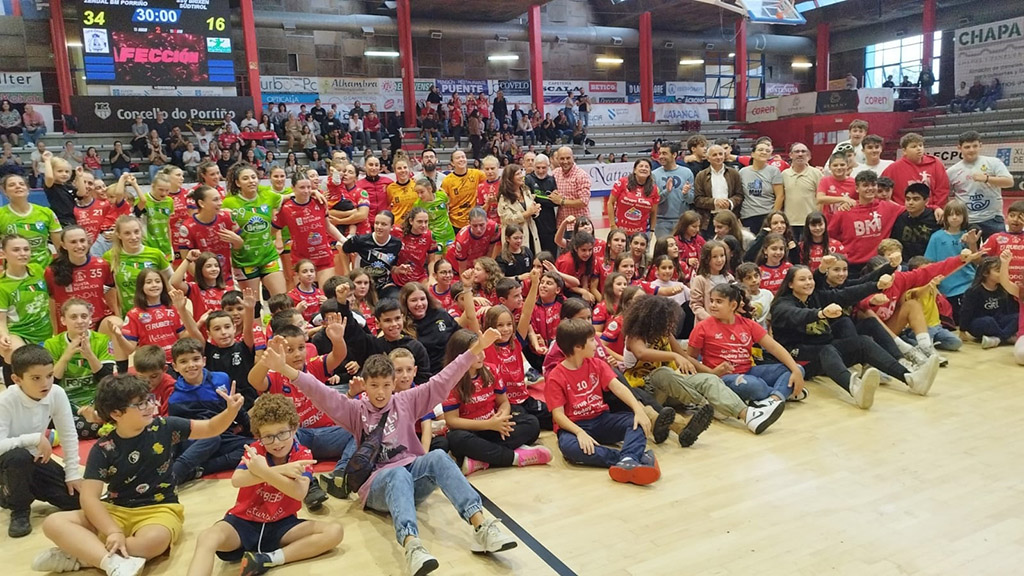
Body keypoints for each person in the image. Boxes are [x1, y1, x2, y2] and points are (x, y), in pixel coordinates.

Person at [267, 328, 519, 576]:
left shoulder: (406, 401)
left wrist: (476, 348)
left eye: (386, 385)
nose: (380, 392)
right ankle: (413, 546)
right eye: (374, 385)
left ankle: (482, 527)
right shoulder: (354, 410)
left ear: (393, 384)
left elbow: (443, 379)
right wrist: (284, 369)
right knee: (397, 474)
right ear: (365, 385)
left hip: (411, 476)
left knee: (438, 457)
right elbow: (318, 391)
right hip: (377, 486)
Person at [31, 373, 244, 576]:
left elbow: (210, 428)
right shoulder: (104, 448)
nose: (150, 406)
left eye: (149, 399)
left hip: (160, 509)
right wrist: (112, 530)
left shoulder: (165, 427)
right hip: (115, 509)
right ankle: (110, 561)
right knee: (53, 523)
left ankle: (84, 555)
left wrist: (230, 412)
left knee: (153, 541)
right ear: (116, 414)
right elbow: (89, 498)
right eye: (140, 404)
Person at [185, 393, 344, 576]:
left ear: (294, 429)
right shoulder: (256, 450)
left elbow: (299, 493)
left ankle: (268, 559)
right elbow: (237, 479)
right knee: (207, 537)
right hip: (242, 522)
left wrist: (264, 471)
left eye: (282, 433)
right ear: (259, 436)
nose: (276, 442)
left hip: (282, 526)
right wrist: (281, 470)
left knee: (334, 531)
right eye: (268, 437)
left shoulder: (303, 454)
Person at [770, 266, 938, 410]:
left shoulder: (816, 296)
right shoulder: (782, 305)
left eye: (810, 278)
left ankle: (911, 378)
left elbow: (847, 294)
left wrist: (876, 286)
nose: (808, 282)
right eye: (802, 280)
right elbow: (795, 315)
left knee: (863, 342)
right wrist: (820, 313)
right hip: (797, 358)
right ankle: (856, 388)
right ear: (790, 284)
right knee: (827, 349)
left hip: (824, 350)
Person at [623, 294, 784, 434]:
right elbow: (641, 353)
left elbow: (686, 358)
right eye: (664, 319)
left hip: (674, 388)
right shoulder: (635, 336)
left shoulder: (666, 334)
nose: (669, 323)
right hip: (645, 391)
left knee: (709, 380)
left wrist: (711, 372)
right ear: (651, 318)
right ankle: (707, 405)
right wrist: (674, 356)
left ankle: (748, 415)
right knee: (663, 373)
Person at [546, 318, 660, 484]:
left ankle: (628, 459)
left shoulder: (597, 364)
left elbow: (619, 388)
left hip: (601, 419)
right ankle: (631, 458)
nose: (596, 345)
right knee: (570, 449)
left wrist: (638, 410)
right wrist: (579, 432)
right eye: (592, 341)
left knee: (637, 422)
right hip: (575, 426)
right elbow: (558, 415)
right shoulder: (555, 377)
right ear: (578, 347)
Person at [443, 327, 548, 476]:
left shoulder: (491, 370)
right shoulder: (451, 379)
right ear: (461, 356)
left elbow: (504, 402)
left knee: (532, 423)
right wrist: (488, 424)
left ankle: (481, 458)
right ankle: (515, 458)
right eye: (476, 353)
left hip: (493, 427)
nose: (481, 356)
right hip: (471, 430)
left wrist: (501, 419)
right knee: (456, 439)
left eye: (482, 350)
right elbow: (452, 421)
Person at [0, 345, 81, 538]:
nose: (45, 383)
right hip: (8, 460)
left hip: (35, 458)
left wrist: (72, 474)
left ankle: (20, 488)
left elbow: (69, 435)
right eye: (36, 378)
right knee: (18, 457)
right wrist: (35, 438)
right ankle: (19, 509)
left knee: (76, 500)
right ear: (17, 379)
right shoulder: (5, 401)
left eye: (50, 375)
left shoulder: (56, 393)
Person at [689, 282, 805, 405]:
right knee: (753, 385)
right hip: (722, 377)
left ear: (733, 305)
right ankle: (783, 392)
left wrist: (795, 370)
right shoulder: (702, 327)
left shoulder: (748, 324)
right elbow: (690, 358)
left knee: (796, 368)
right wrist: (711, 372)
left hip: (748, 371)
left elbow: (774, 347)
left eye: (719, 301)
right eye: (711, 301)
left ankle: (773, 400)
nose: (713, 305)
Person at [222, 163, 287, 296]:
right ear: (237, 183)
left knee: (283, 300)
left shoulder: (268, 196)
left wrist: (313, 192)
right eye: (245, 178)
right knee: (253, 305)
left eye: (253, 177)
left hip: (269, 256)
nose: (251, 181)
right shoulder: (229, 202)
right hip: (244, 260)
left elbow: (293, 196)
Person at [828, 171, 904, 276]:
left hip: (879, 264)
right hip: (852, 266)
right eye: (865, 185)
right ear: (856, 188)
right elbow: (830, 236)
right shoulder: (844, 211)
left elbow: (913, 210)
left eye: (873, 185)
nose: (870, 188)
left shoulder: (889, 207)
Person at [947, 130, 1014, 238]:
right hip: (967, 220)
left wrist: (987, 178)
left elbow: (1009, 182)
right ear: (959, 147)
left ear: (980, 145)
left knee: (997, 248)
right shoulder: (952, 171)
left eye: (975, 146)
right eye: (967, 147)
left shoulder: (993, 162)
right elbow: (945, 195)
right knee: (968, 249)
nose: (971, 150)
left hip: (993, 218)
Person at [0, 173, 62, 267]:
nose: (18, 186)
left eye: (21, 184)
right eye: (12, 185)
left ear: (28, 189)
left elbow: (59, 247)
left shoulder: (46, 212)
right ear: (5, 191)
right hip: (15, 270)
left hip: (44, 267)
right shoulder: (1, 214)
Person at [881, 133, 949, 215]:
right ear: (904, 151)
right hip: (903, 214)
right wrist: (899, 210)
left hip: (932, 213)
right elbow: (882, 193)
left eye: (920, 145)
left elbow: (942, 190)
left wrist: (936, 208)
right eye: (914, 146)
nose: (919, 149)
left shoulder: (936, 164)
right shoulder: (892, 169)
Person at [961, 254, 1018, 350]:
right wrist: (962, 330)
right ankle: (1007, 337)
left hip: (998, 321)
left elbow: (1009, 311)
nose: (1002, 274)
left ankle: (999, 339)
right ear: (985, 273)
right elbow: (966, 311)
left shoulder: (1003, 289)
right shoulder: (974, 291)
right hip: (979, 323)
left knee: (1019, 317)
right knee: (988, 321)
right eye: (998, 271)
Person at [693, 144, 743, 236]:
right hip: (709, 220)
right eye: (714, 155)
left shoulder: (734, 173)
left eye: (720, 154)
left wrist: (730, 202)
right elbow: (697, 199)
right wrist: (715, 202)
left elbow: (740, 195)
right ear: (708, 158)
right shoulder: (701, 176)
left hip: (730, 218)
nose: (718, 157)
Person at [651, 142, 695, 241]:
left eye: (664, 153)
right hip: (661, 221)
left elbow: (691, 200)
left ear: (674, 155)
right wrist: (667, 191)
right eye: (660, 153)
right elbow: (654, 201)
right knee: (664, 248)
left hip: (682, 220)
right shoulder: (654, 175)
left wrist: (686, 194)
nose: (661, 156)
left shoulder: (687, 173)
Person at [739, 140, 785, 232]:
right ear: (752, 154)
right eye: (760, 150)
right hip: (747, 216)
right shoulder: (742, 172)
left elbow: (780, 196)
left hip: (767, 215)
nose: (764, 152)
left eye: (767, 151)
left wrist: (773, 216)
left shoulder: (774, 171)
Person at [496, 164, 542, 256]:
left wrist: (535, 210)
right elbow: (507, 219)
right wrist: (527, 213)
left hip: (531, 232)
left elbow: (532, 210)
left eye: (521, 173)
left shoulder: (526, 191)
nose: (521, 176)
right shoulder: (504, 198)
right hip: (514, 237)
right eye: (518, 174)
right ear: (510, 178)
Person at [781, 142, 822, 240]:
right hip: (790, 222)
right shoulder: (784, 175)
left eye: (803, 151)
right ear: (790, 155)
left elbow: (821, 199)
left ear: (808, 155)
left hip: (810, 222)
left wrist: (818, 218)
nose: (800, 154)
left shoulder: (817, 173)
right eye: (797, 151)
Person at [607, 158, 659, 235]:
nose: (644, 168)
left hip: (642, 233)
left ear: (650, 172)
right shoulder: (622, 182)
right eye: (641, 166)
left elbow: (654, 212)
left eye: (647, 167)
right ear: (634, 170)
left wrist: (652, 230)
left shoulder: (654, 189)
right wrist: (612, 225)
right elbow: (610, 203)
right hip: (620, 230)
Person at [890, 182, 941, 260]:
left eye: (916, 199)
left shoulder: (936, 219)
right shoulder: (900, 217)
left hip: (928, 262)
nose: (910, 203)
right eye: (908, 199)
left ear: (926, 201)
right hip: (903, 262)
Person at [441, 149, 485, 231]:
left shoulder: (477, 174)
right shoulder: (447, 181)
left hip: (474, 221)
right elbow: (444, 202)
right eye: (458, 158)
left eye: (463, 157)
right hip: (456, 222)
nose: (461, 159)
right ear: (452, 163)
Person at [525, 153, 560, 255]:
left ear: (548, 166)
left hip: (549, 224)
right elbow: (528, 201)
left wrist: (537, 197)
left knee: (550, 254)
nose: (541, 171)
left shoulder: (552, 180)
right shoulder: (528, 179)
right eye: (538, 167)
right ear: (534, 166)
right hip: (533, 223)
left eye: (544, 168)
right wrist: (548, 198)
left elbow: (556, 202)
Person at [552, 146, 591, 229]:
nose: (565, 161)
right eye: (562, 159)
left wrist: (562, 201)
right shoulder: (555, 173)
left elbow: (583, 202)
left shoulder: (581, 175)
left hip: (579, 225)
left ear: (573, 158)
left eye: (568, 158)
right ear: (557, 159)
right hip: (561, 225)